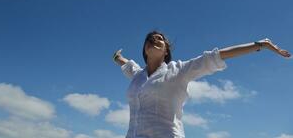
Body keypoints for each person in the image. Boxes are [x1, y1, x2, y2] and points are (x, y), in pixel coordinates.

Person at [113, 31, 291, 138]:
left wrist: (261, 44)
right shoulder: (138, 76)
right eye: (149, 39)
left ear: (166, 50)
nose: (154, 39)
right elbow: (128, 65)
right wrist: (117, 57)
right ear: (144, 49)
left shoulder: (178, 71)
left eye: (159, 38)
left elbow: (216, 56)